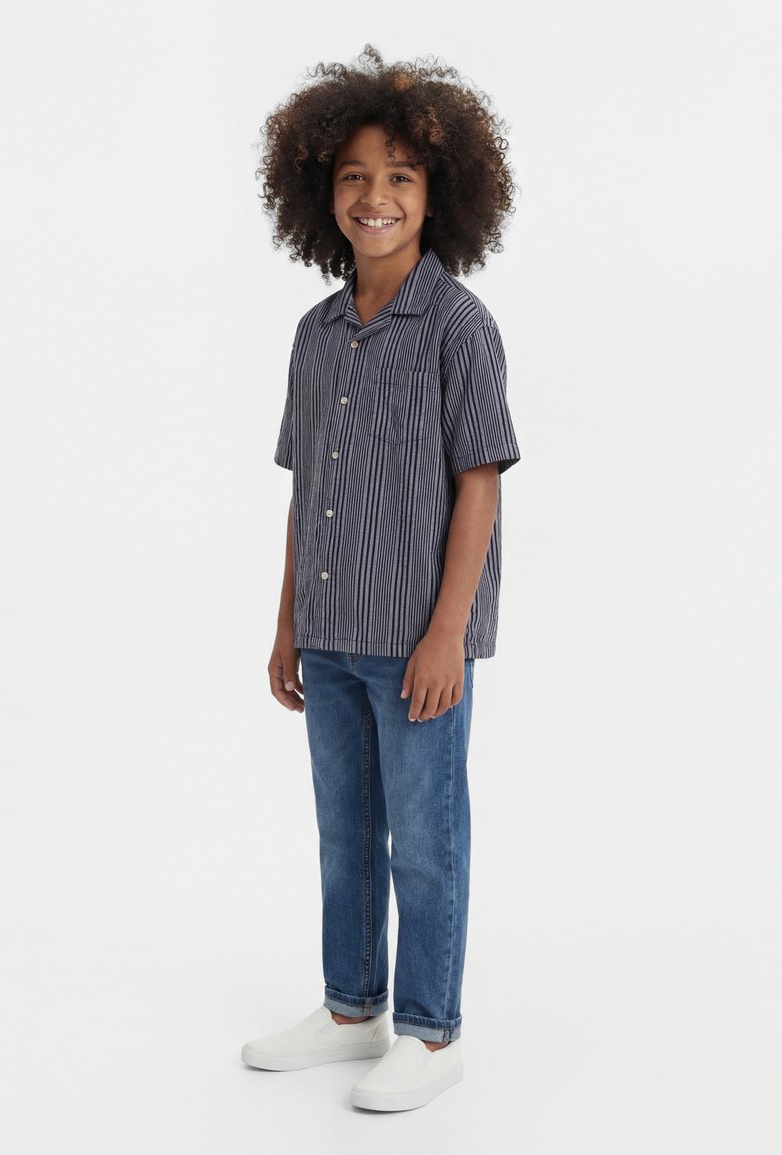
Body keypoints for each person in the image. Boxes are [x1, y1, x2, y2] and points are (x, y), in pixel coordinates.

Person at [241, 45, 521, 1112]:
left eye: (400, 176)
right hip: (328, 635)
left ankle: (432, 1032)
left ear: (437, 194)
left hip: (416, 645)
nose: (376, 195)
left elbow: (479, 485)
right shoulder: (315, 336)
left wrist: (448, 632)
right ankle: (352, 1008)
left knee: (426, 842)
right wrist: (288, 625)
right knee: (345, 835)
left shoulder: (458, 328)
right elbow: (304, 489)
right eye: (355, 175)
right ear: (323, 191)